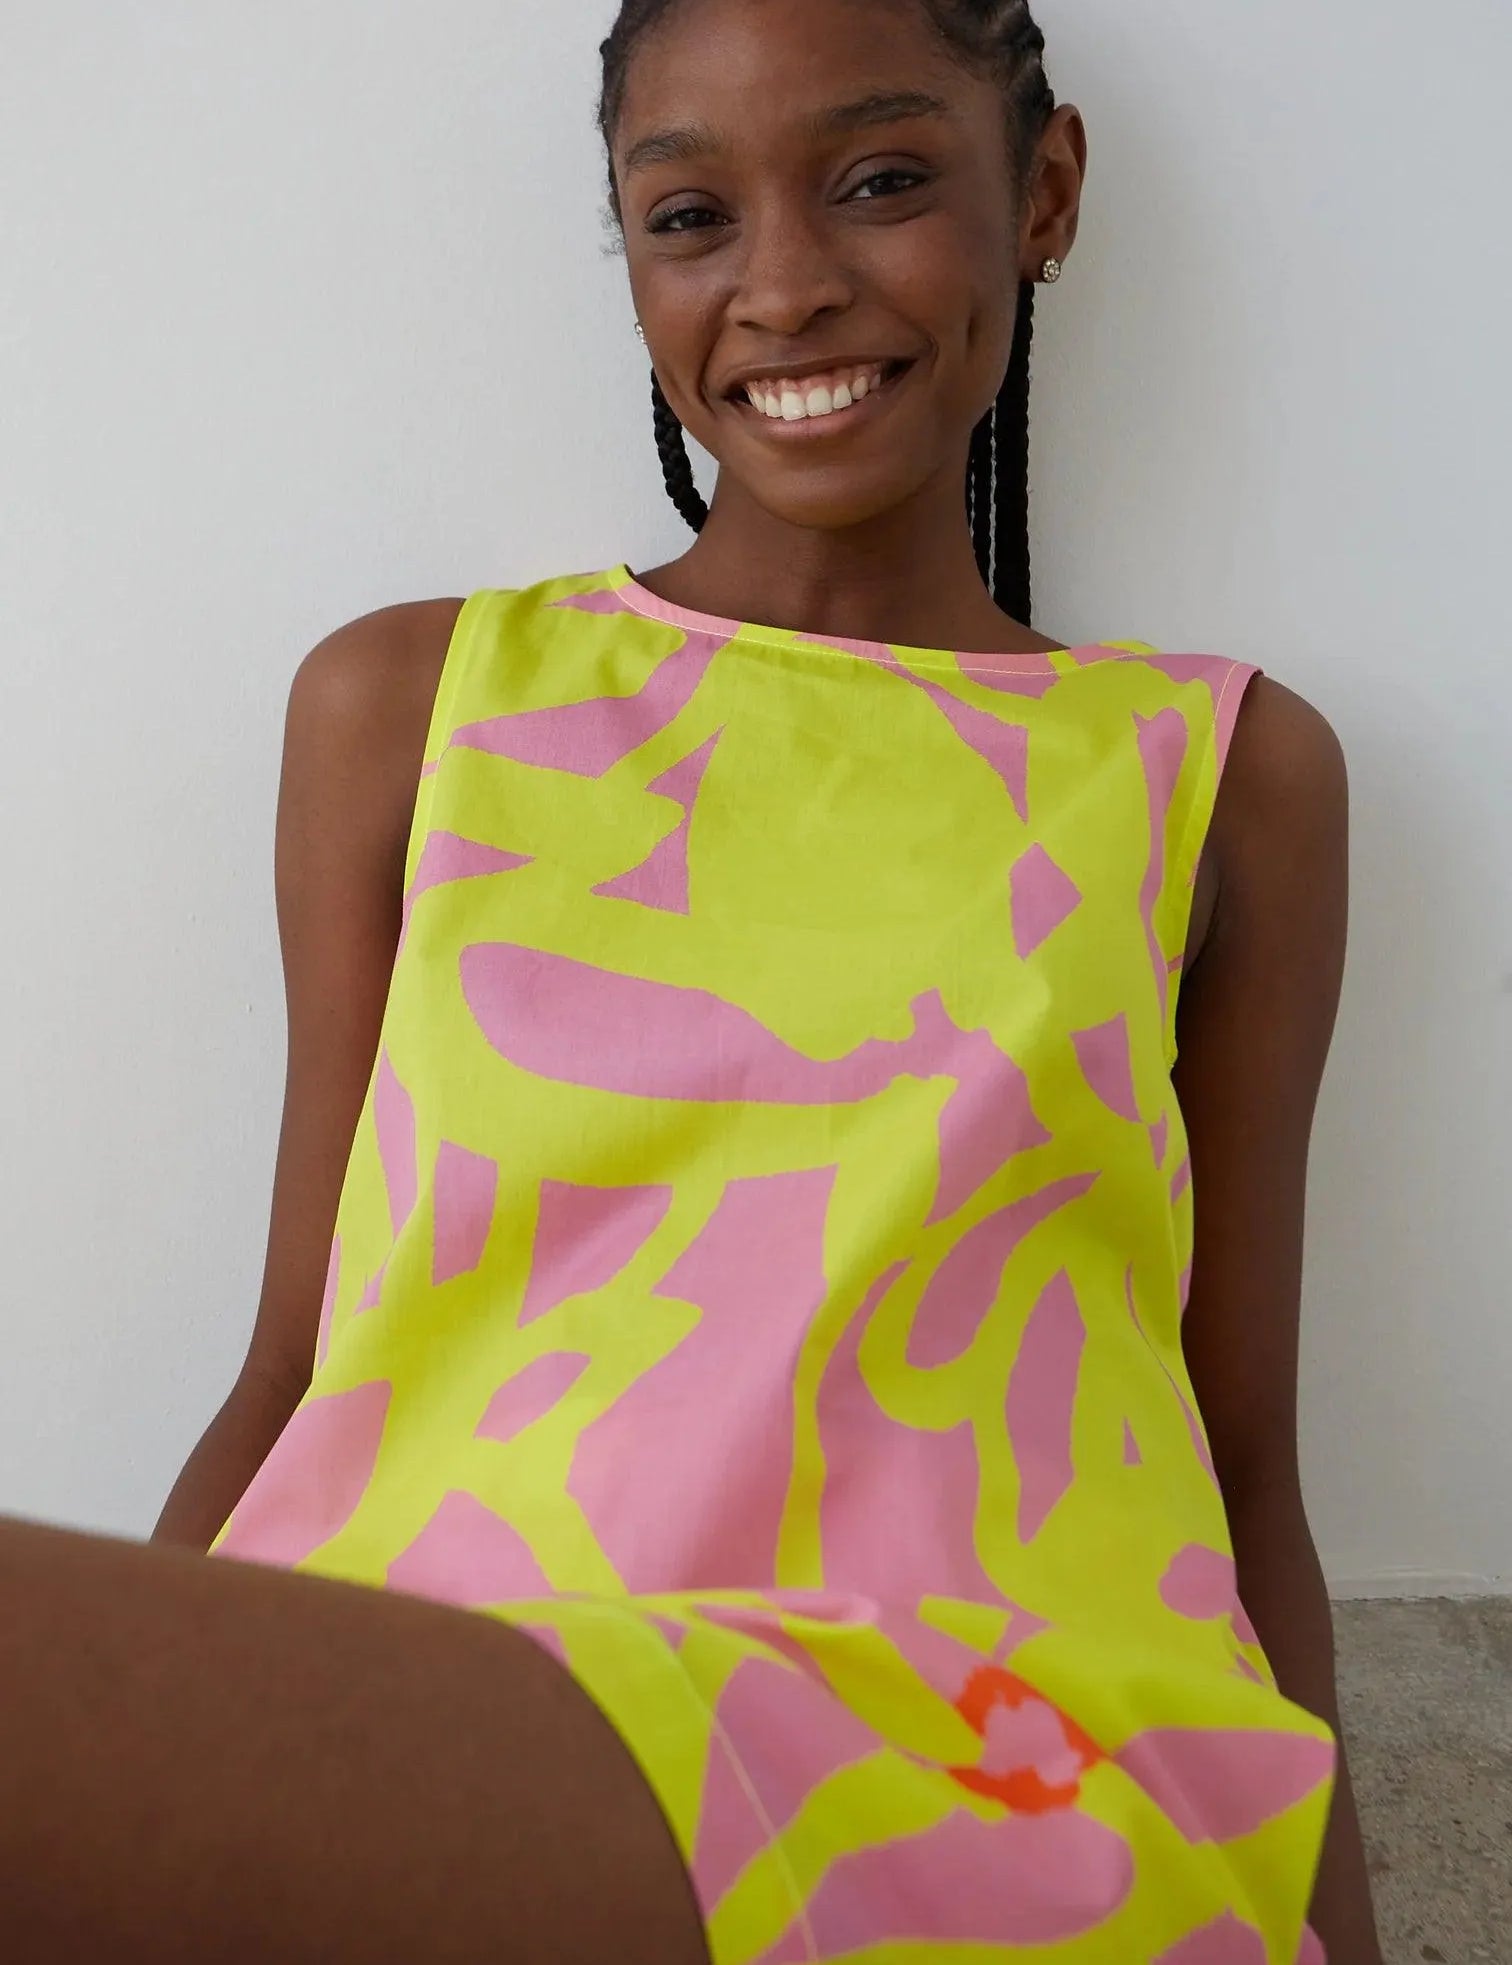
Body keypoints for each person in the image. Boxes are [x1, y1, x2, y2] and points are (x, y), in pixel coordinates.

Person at [2, 2, 1383, 1961]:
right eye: (689, 216)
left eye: (881, 182)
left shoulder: (1220, 776)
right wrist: (164, 1726)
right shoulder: (411, 708)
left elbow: (1240, 1466)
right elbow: (301, 1365)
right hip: (438, 1716)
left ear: (1045, 192)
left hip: (979, 1776)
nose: (786, 285)